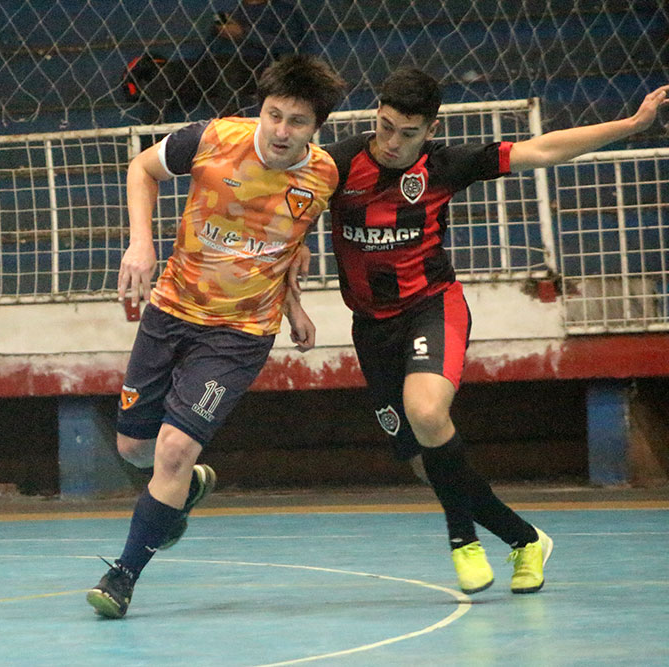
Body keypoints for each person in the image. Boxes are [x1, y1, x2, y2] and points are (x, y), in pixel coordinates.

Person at [303, 68, 669, 595]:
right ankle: (525, 539)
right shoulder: (337, 163)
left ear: (430, 130)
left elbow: (542, 150)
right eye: (385, 127)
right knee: (424, 462)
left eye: (408, 133)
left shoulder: (445, 164)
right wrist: (291, 286)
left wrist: (631, 124)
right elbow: (282, 213)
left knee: (427, 412)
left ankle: (463, 541)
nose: (393, 142)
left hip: (431, 308)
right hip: (371, 328)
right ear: (376, 114)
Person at [87, 54, 346, 619]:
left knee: (174, 449)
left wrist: (294, 307)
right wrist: (141, 242)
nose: (281, 131)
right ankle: (185, 490)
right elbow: (141, 168)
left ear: (316, 127)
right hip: (172, 310)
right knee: (135, 449)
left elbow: (287, 245)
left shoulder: (323, 175)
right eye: (273, 114)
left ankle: (123, 575)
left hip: (241, 332)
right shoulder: (212, 138)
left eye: (297, 121)